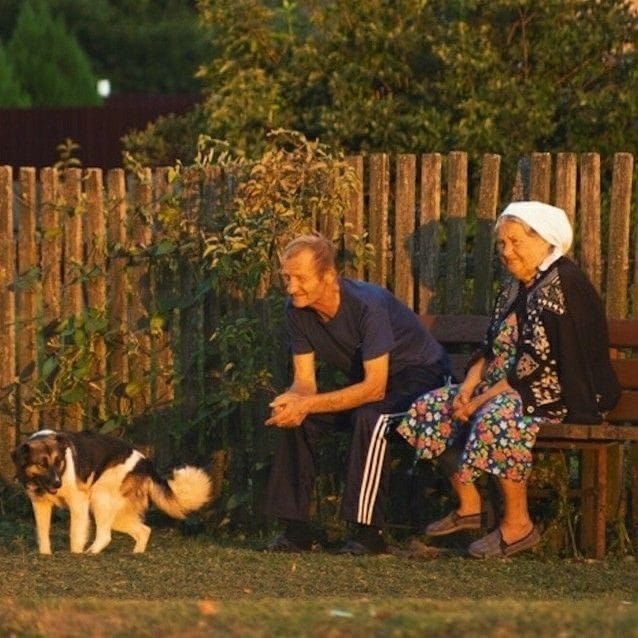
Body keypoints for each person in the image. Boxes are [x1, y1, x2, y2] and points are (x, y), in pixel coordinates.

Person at [397, 201, 621, 558]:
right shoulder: (516, 288)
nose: (506, 251)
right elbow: (488, 349)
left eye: (514, 242)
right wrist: (467, 389)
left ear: (544, 240)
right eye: (501, 244)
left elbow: (533, 368)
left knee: (498, 416)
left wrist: (477, 403)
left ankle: (518, 526)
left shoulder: (563, 283)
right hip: (501, 388)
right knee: (431, 407)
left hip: (556, 392)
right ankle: (469, 506)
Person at [263, 233, 450, 554]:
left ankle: (367, 534)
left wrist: (306, 402)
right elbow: (305, 383)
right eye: (287, 278)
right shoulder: (296, 310)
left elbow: (375, 388)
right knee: (297, 419)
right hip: (374, 383)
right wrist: (292, 403)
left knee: (370, 418)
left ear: (328, 275)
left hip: (422, 381)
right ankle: (296, 530)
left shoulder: (368, 305)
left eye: (301, 278)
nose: (292, 287)